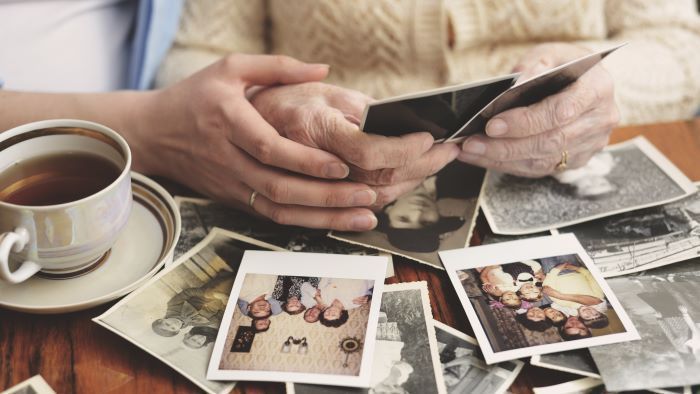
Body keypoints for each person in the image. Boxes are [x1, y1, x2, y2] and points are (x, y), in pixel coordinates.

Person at [158, 0, 700, 181]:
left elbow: (680, 44)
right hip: (329, 181)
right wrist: (258, 106)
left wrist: (599, 94)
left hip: (575, 172)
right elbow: (193, 55)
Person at [374, 162, 482, 253]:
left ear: (388, 210)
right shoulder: (470, 184)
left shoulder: (381, 171)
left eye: (403, 218)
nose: (417, 213)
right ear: (438, 216)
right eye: (426, 222)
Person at [151, 270, 233, 337]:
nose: (173, 324)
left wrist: (214, 295)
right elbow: (216, 318)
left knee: (231, 284)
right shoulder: (196, 323)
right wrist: (226, 306)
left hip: (213, 291)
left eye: (167, 324)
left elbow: (188, 292)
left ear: (162, 319)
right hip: (226, 302)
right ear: (177, 331)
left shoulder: (173, 305)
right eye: (173, 328)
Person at [542, 263, 607, 317]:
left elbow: (547, 288)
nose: (589, 312)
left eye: (587, 317)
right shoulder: (598, 296)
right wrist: (577, 268)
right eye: (596, 314)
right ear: (599, 311)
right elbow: (591, 277)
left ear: (580, 317)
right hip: (573, 267)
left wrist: (555, 270)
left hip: (552, 270)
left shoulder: (564, 304)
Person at [306, 278, 373, 328]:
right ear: (341, 315)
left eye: (327, 314)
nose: (330, 312)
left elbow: (325, 279)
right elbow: (362, 282)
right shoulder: (354, 302)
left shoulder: (324, 298)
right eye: (333, 315)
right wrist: (368, 296)